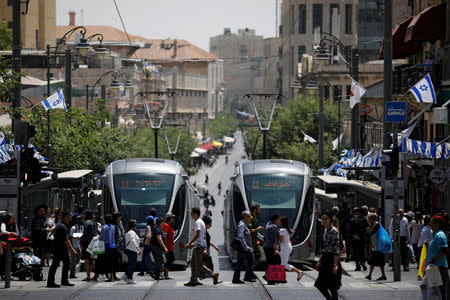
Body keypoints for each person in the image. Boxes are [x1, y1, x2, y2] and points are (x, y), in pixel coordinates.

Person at [184, 207, 220, 286]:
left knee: (199, 265)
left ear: (195, 214)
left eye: (192, 214)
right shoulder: (200, 222)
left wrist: (190, 243)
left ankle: (213, 274)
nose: (191, 215)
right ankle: (193, 280)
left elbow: (197, 234)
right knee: (193, 264)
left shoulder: (198, 222)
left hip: (199, 246)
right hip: (198, 246)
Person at [314, 211, 342, 300]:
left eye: (326, 219)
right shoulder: (326, 230)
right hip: (326, 259)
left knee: (332, 287)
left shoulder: (334, 231)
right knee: (320, 284)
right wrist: (319, 261)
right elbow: (325, 248)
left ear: (330, 220)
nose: (324, 220)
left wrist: (335, 265)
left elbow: (336, 249)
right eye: (322, 219)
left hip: (332, 259)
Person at [47, 209, 77, 288]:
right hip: (59, 248)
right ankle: (50, 282)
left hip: (61, 248)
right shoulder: (62, 226)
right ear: (66, 216)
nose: (71, 216)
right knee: (55, 264)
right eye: (70, 215)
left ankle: (64, 280)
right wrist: (72, 250)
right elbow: (66, 240)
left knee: (66, 263)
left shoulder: (63, 225)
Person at [425, 215, 449, 300]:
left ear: (437, 224)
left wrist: (433, 259)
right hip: (435, 269)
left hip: (439, 268)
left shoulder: (440, 235)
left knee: (441, 293)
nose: (429, 223)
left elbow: (444, 251)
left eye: (431, 222)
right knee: (435, 293)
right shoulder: (436, 234)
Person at [92, 214, 116, 282]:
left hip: (105, 247)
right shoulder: (113, 227)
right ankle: (111, 277)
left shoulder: (104, 227)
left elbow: (102, 238)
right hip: (112, 246)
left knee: (98, 261)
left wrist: (97, 236)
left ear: (105, 220)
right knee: (110, 262)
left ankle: (96, 276)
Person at [233, 211, 255, 284]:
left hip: (245, 248)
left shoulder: (245, 224)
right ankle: (243, 277)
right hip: (244, 248)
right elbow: (240, 236)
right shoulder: (242, 224)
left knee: (243, 262)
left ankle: (243, 277)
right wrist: (245, 246)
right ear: (245, 217)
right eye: (249, 216)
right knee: (248, 261)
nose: (250, 218)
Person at [280, 216, 304, 281]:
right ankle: (282, 278)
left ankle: (299, 272)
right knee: (282, 263)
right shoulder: (288, 230)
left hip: (284, 248)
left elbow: (281, 241)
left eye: (280, 221)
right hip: (288, 247)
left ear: (281, 222)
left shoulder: (282, 230)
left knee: (283, 264)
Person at [365, 213, 386, 281]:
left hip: (379, 246)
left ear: (373, 219)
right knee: (378, 262)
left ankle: (370, 275)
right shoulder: (373, 225)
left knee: (374, 261)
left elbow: (372, 232)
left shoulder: (377, 224)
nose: (368, 220)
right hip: (376, 246)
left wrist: (369, 230)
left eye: (369, 218)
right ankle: (382, 275)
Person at [347, 207, 369, 271]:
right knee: (362, 252)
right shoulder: (364, 220)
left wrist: (352, 235)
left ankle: (357, 266)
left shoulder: (352, 220)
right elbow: (367, 229)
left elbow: (348, 230)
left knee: (355, 252)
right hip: (362, 239)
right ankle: (363, 263)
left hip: (354, 239)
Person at [121, 219, 142, 284]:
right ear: (134, 226)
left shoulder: (128, 232)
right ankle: (129, 278)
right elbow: (133, 241)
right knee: (132, 264)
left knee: (131, 264)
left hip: (130, 250)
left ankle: (126, 275)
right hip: (131, 250)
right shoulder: (132, 232)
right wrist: (138, 249)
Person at [263, 213, 281, 281]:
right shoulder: (274, 227)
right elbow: (274, 239)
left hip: (266, 246)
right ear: (276, 219)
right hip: (271, 247)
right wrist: (276, 249)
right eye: (279, 219)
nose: (279, 221)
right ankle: (271, 278)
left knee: (270, 262)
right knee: (275, 262)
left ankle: (267, 275)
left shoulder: (268, 224)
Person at [81, 210, 98, 281]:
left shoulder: (85, 223)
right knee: (93, 259)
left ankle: (88, 276)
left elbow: (84, 234)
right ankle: (96, 275)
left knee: (87, 260)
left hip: (86, 243)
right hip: (93, 242)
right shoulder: (94, 223)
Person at [250, 204, 264, 270]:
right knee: (253, 255)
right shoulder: (251, 218)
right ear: (255, 210)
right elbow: (249, 230)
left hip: (254, 239)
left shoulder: (254, 217)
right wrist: (257, 229)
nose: (260, 210)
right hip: (251, 240)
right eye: (259, 209)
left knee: (257, 254)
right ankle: (250, 270)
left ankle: (251, 269)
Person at [162, 212, 176, 280]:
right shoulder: (166, 225)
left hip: (170, 246)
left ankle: (166, 274)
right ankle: (159, 270)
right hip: (168, 247)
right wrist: (165, 247)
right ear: (169, 218)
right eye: (172, 217)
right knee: (171, 259)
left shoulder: (169, 225)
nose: (173, 219)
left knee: (170, 259)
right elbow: (164, 235)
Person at [112, 212, 123, 281]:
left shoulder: (116, 225)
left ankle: (114, 275)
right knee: (115, 261)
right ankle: (113, 275)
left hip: (116, 245)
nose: (120, 219)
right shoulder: (114, 226)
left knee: (116, 261)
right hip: (114, 246)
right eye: (119, 218)